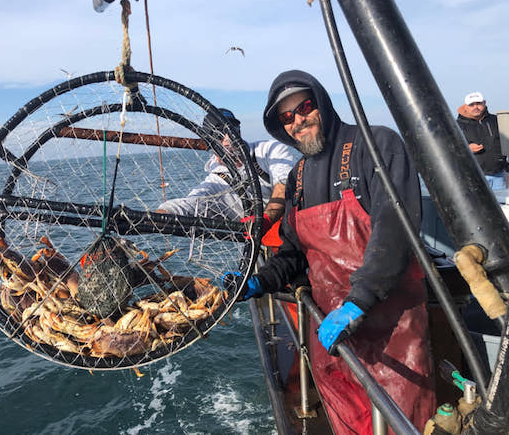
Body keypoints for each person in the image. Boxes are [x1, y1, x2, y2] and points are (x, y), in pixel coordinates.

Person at [223, 70, 436, 434]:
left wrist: (361, 299)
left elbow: (395, 228)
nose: (298, 121)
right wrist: (258, 281)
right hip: (329, 333)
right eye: (286, 117)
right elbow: (293, 251)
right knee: (345, 421)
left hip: (391, 330)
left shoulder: (376, 145)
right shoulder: (298, 177)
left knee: (402, 420)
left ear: (321, 102)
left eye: (304, 107)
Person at [156, 108, 297, 235]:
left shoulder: (270, 150)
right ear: (209, 141)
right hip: (258, 245)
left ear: (239, 131)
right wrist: (152, 218)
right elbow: (188, 204)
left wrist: (266, 218)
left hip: (294, 227)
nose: (228, 139)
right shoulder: (215, 182)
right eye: (218, 135)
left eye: (232, 130)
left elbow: (285, 183)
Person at [457, 91, 507, 190]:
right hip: (473, 177)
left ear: (484, 103)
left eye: (478, 103)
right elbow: (451, 147)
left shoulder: (497, 121)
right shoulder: (456, 125)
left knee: (499, 205)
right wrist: (467, 147)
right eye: (471, 105)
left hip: (498, 175)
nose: (476, 107)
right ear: (466, 107)